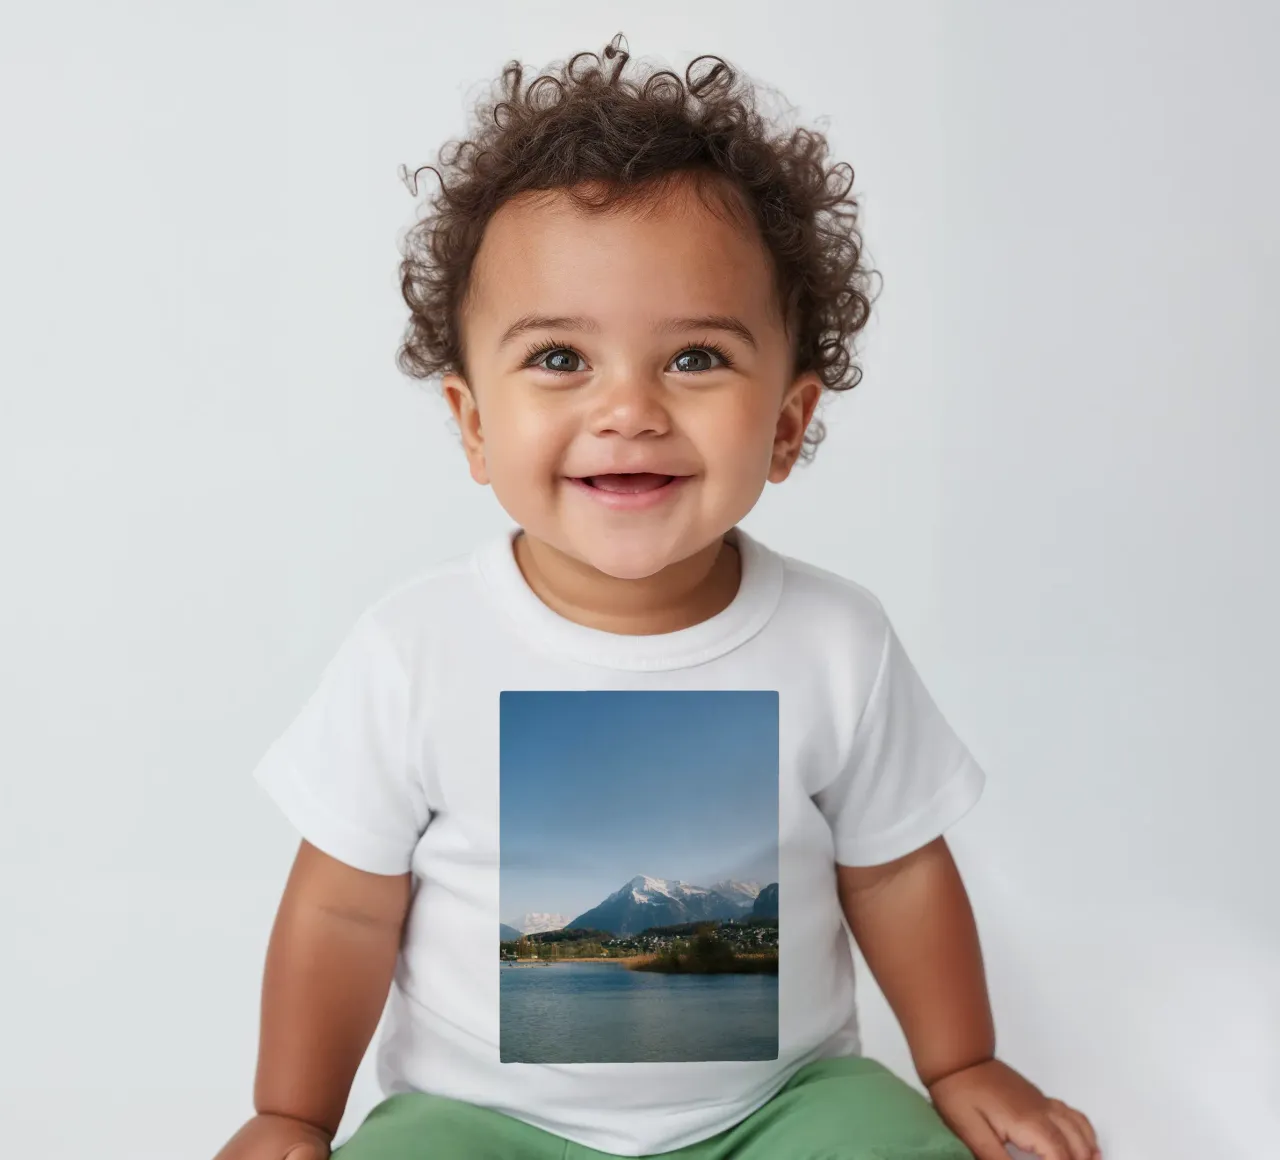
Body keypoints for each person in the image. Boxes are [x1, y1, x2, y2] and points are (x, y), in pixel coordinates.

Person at [214, 32, 1100, 1160]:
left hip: (776, 1107)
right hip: (486, 1120)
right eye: (557, 359)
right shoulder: (415, 648)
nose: (627, 407)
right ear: (473, 422)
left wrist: (959, 1060)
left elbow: (895, 870)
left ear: (786, 422)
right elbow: (341, 906)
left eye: (692, 358)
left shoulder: (836, 640)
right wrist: (291, 1111)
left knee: (888, 1139)